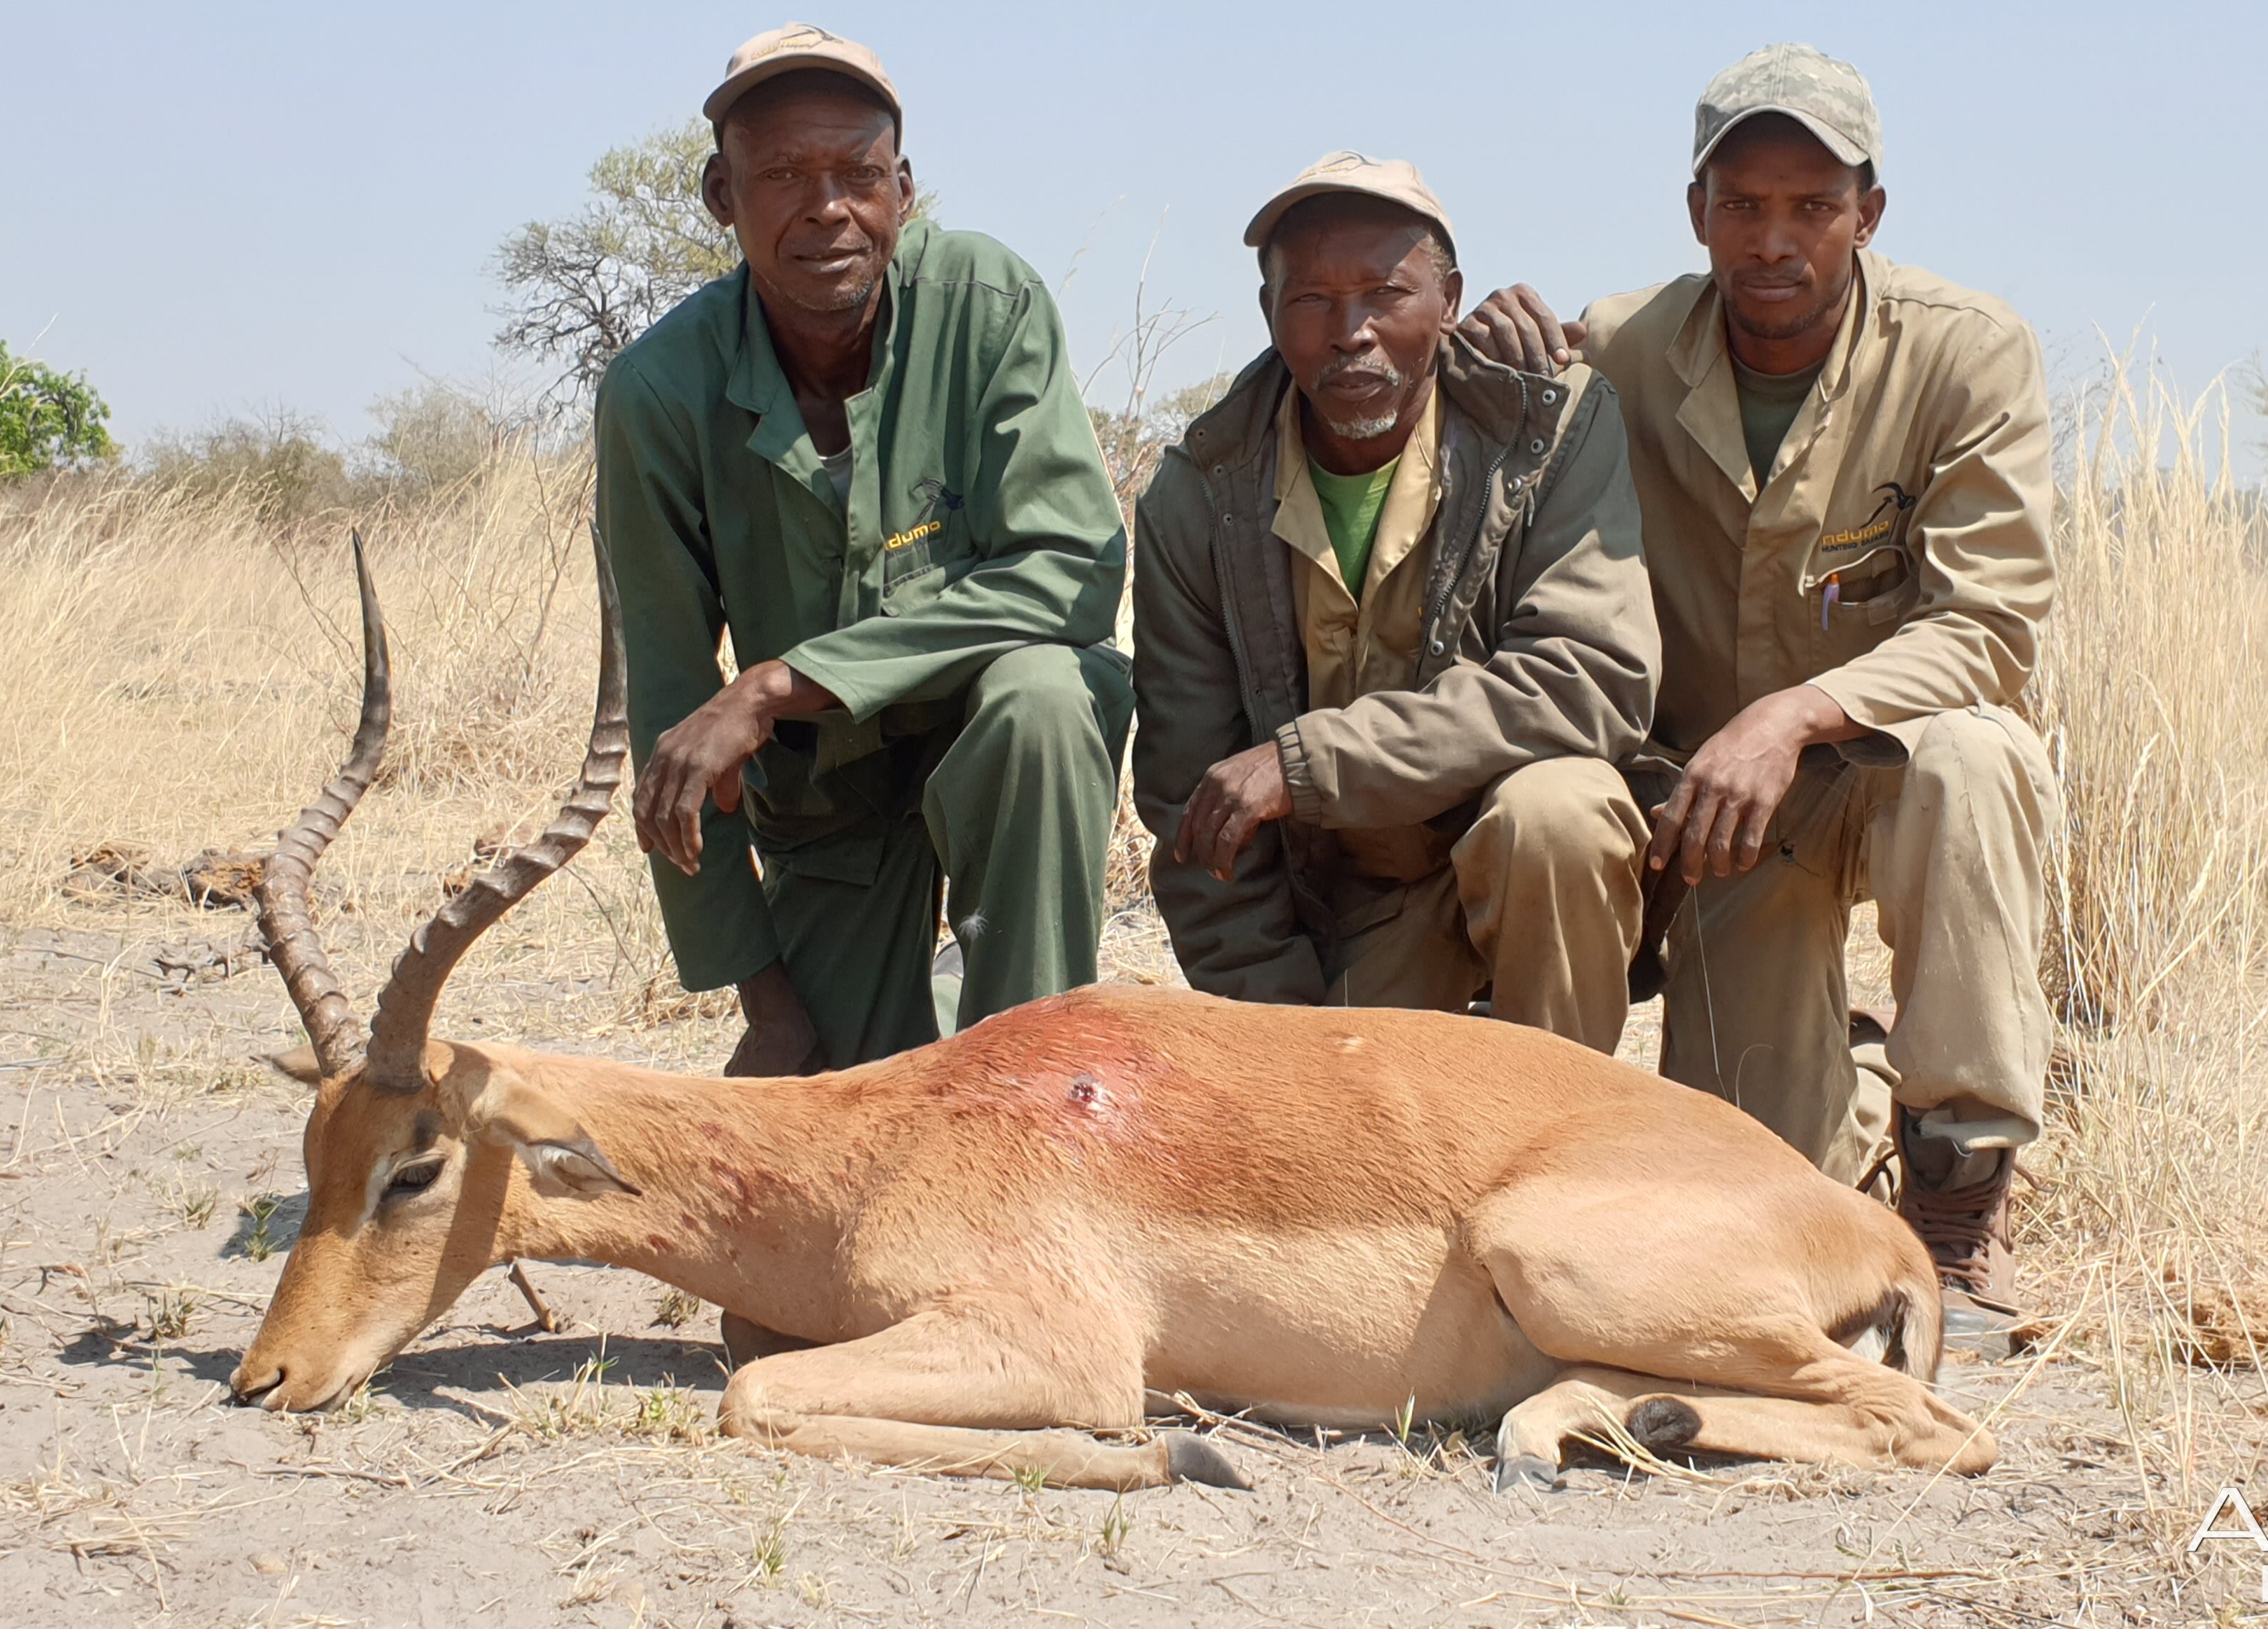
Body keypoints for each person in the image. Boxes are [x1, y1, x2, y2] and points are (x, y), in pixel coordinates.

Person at [1458, 45, 2062, 1345]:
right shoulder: (1622, 343)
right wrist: (1484, 341)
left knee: (1979, 758)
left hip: (1872, 770)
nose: (1772, 239)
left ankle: (1959, 1198)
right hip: (1716, 820)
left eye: (1810, 205)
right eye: (1742, 204)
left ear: (1868, 215)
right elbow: (1501, 429)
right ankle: (1838, 1090)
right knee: (1748, 1191)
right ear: (1698, 213)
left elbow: (1992, 621)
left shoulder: (1966, 353)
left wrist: (1793, 714)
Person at [600, 25, 1130, 1075]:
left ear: (905, 187)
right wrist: (763, 998)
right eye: (785, 176)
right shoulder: (657, 391)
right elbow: (670, 710)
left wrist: (779, 684)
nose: (827, 209)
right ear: (721, 196)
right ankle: (925, 1003)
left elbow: (1071, 570)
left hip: (993, 753)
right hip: (831, 805)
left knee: (1046, 700)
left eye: (859, 174)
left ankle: (1030, 1068)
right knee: (829, 1113)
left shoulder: (989, 302)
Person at [1130, 154, 1658, 1052]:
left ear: (1450, 301)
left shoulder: (1547, 425)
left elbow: (1591, 682)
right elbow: (1200, 813)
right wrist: (1289, 1049)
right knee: (1328, 1157)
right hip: (1345, 913)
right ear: (1269, 314)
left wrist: (1307, 763)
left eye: (1386, 292)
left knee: (1559, 813)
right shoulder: (1201, 495)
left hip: (1511, 867)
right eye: (1312, 301)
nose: (1352, 333)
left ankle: (1556, 1148)